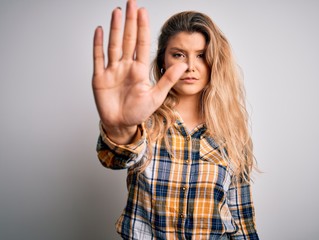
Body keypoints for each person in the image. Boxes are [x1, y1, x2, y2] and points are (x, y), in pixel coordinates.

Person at [92, 0, 259, 239]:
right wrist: (120, 128)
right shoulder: (144, 122)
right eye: (179, 55)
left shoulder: (232, 131)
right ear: (163, 61)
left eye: (201, 55)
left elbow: (242, 221)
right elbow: (115, 158)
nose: (190, 66)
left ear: (214, 62)